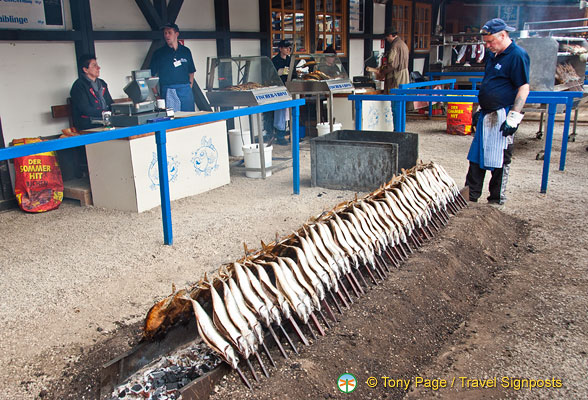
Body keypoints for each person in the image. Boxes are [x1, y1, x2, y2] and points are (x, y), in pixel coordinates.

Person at [465, 18, 530, 205]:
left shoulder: (517, 55)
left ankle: (495, 199)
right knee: (476, 158)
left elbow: (523, 87)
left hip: (503, 114)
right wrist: (480, 110)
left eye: (490, 41)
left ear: (503, 35)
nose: (487, 45)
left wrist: (514, 117)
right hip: (487, 114)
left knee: (500, 159)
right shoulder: (493, 55)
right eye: (485, 42)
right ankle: (471, 197)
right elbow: (488, 84)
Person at [150, 23, 196, 112]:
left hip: (185, 90)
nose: (167, 35)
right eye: (165, 33)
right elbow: (151, 76)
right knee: (172, 119)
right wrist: (156, 95)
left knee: (189, 118)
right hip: (168, 90)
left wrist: (189, 86)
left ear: (176, 34)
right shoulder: (159, 53)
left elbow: (191, 71)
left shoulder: (186, 51)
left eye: (169, 32)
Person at [70, 54, 113, 131]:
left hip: (105, 120)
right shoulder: (79, 86)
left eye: (97, 65)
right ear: (85, 70)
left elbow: (110, 102)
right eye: (94, 65)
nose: (98, 68)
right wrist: (105, 113)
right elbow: (85, 109)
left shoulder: (102, 83)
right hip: (88, 123)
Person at [367, 27, 409, 92]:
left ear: (390, 35)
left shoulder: (395, 46)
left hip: (397, 76)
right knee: (402, 96)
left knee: (395, 96)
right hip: (404, 74)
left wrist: (382, 71)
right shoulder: (403, 44)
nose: (387, 39)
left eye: (387, 37)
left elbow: (392, 65)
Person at [271, 39, 292, 145]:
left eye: (289, 48)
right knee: (280, 113)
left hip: (289, 88)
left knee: (290, 112)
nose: (288, 50)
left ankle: (292, 134)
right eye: (286, 47)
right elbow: (271, 76)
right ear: (280, 49)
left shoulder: (290, 60)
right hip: (279, 89)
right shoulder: (274, 61)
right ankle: (280, 135)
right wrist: (279, 72)